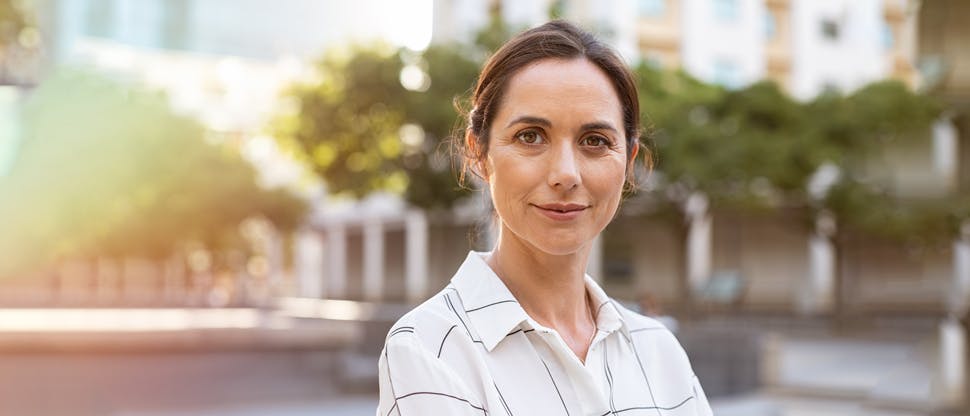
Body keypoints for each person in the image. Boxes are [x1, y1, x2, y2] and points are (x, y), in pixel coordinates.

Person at [377, 20, 712, 416]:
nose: (566, 174)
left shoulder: (660, 351)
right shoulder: (430, 348)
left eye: (595, 141)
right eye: (530, 136)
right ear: (478, 153)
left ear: (628, 163)